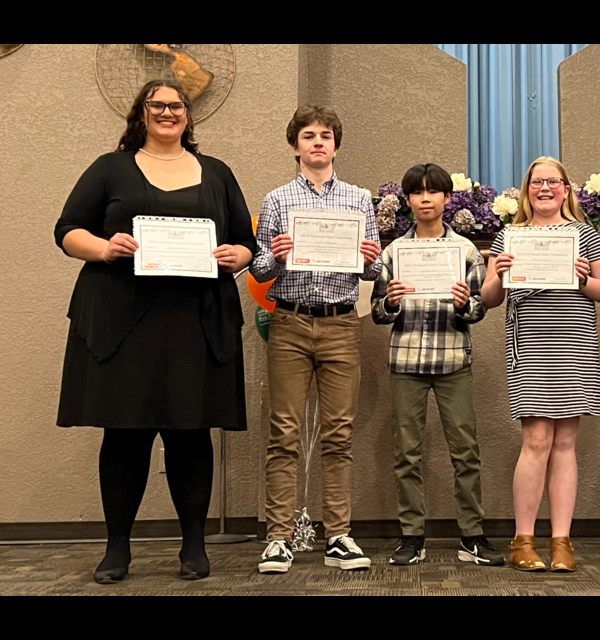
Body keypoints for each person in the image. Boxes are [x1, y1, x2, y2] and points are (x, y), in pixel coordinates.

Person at [54, 79, 255, 585]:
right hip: (124, 320)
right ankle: (116, 549)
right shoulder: (110, 167)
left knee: (191, 432)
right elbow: (68, 230)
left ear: (189, 115)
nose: (168, 112)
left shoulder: (217, 172)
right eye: (158, 105)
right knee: (125, 434)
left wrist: (239, 257)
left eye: (177, 105)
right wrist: (104, 248)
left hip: (197, 321)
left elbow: (243, 242)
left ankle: (193, 546)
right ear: (141, 113)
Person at [251, 106, 382, 575]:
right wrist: (277, 255)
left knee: (338, 434)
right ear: (295, 146)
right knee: (284, 432)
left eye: (326, 135)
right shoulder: (277, 199)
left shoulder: (358, 199)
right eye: (308, 135)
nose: (318, 142)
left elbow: (375, 271)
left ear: (336, 144)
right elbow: (260, 270)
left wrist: (370, 259)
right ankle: (279, 538)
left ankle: (339, 535)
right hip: (289, 322)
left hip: (342, 324)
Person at [482, 157, 600, 573]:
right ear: (527, 189)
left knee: (564, 444)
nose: (545, 188)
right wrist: (498, 276)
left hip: (573, 346)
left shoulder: (584, 234)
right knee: (536, 441)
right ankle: (523, 540)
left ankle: (562, 541)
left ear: (566, 189)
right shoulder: (508, 236)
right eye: (537, 182)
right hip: (532, 349)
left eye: (553, 182)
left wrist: (582, 280)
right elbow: (488, 299)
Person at [371, 164, 503, 567]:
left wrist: (467, 304)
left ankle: (472, 535)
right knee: (406, 453)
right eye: (418, 192)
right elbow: (377, 311)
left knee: (465, 451)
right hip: (406, 359)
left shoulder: (464, 250)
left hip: (452, 359)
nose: (426, 199)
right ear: (407, 201)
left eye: (434, 192)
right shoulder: (393, 251)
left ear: (448, 199)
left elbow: (480, 308)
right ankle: (412, 535)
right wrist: (391, 301)